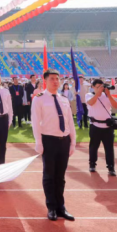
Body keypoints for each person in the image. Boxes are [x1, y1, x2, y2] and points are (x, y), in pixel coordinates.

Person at [30, 70, 77, 221]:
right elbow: (35, 122)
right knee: (49, 176)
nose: (55, 81)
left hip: (64, 141)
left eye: (57, 79)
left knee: (60, 176)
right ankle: (51, 207)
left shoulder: (64, 99)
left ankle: (61, 207)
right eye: (52, 79)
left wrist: (73, 142)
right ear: (45, 81)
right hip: (49, 141)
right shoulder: (39, 99)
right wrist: (38, 142)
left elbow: (70, 122)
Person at [86, 79, 117, 176]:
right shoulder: (89, 95)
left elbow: (116, 106)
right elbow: (91, 103)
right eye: (98, 87)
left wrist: (108, 95)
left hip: (107, 126)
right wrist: (98, 93)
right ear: (93, 87)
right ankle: (92, 164)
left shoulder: (107, 96)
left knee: (109, 148)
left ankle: (111, 167)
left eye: (101, 87)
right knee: (93, 147)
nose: (100, 89)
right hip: (95, 126)